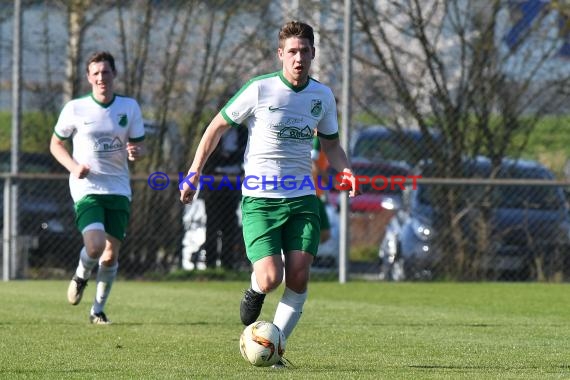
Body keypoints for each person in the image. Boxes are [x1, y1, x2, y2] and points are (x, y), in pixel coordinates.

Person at [179, 21, 358, 365]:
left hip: (302, 198)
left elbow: (332, 146)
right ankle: (256, 288)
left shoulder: (321, 96)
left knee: (300, 275)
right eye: (292, 51)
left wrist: (346, 170)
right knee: (271, 278)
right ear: (281, 55)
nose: (299, 58)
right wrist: (193, 173)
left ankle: (273, 349)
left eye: (305, 51)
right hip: (260, 200)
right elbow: (216, 127)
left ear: (313, 54)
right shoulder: (259, 90)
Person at [50, 51, 145, 325]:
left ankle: (97, 310)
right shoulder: (75, 108)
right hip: (87, 186)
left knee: (111, 254)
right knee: (94, 247)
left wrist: (136, 152)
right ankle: (81, 275)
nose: (101, 77)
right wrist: (73, 166)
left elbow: (138, 147)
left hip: (118, 188)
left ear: (114, 74)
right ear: (88, 77)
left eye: (105, 72)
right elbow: (56, 144)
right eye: (96, 73)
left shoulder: (129, 107)